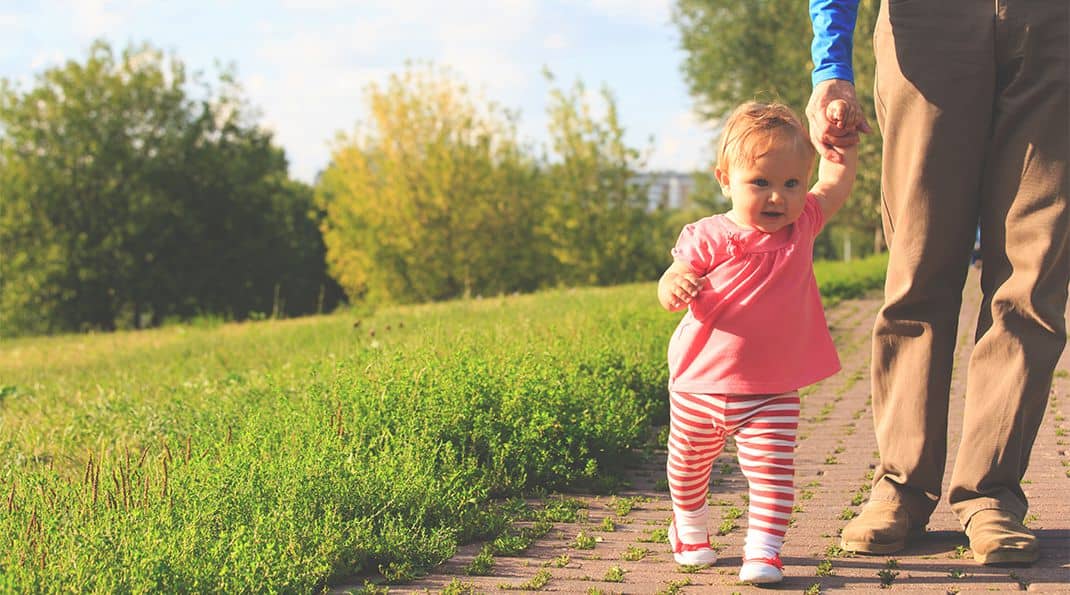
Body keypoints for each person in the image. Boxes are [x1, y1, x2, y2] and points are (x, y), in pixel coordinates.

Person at [807, 0, 1068, 565]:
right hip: (927, 23)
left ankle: (991, 493)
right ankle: (900, 484)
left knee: (1033, 273)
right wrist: (830, 64)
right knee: (917, 264)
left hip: (1054, 23)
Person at [657, 100, 859, 584]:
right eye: (761, 183)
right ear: (725, 179)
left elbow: (833, 185)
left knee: (772, 472)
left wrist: (841, 147)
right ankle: (689, 528)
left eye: (791, 183)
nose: (777, 197)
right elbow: (673, 276)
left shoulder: (803, 225)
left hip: (771, 388)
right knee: (687, 467)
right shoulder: (707, 235)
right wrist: (674, 286)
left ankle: (764, 550)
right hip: (699, 383)